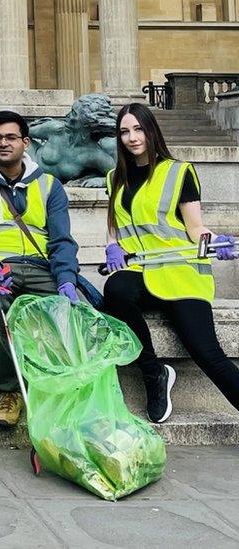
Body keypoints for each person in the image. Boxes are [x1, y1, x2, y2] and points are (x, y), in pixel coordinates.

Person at [102, 103, 239, 423]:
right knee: (116, 289)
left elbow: (195, 227)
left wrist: (214, 242)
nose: (132, 137)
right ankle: (154, 374)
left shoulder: (179, 171)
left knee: (207, 353)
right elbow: (114, 227)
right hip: (139, 271)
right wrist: (112, 248)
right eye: (124, 131)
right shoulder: (114, 178)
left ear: (151, 131)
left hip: (180, 271)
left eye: (138, 129)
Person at [0, 110, 81, 429]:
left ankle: (63, 389)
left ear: (25, 142)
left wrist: (66, 279)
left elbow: (62, 240)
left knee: (72, 312)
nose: (3, 143)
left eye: (11, 137)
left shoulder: (50, 185)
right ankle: (10, 390)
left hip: (40, 268)